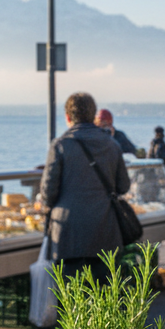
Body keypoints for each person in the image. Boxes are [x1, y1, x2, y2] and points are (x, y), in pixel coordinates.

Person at [43, 92, 131, 283]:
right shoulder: (112, 144)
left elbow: (48, 193)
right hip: (105, 233)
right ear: (93, 116)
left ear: (67, 117)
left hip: (68, 237)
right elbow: (124, 186)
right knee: (105, 300)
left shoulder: (60, 145)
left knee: (71, 302)